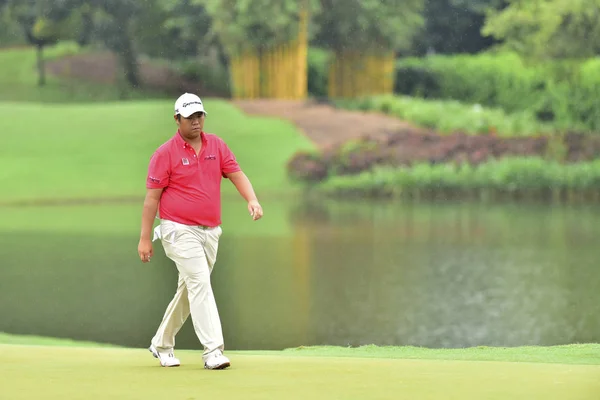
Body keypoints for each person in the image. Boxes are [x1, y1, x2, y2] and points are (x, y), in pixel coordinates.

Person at [137, 92, 263, 370]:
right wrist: (145, 238)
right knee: (200, 284)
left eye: (199, 116)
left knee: (191, 288)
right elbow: (151, 199)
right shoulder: (164, 154)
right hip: (177, 229)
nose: (196, 122)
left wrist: (251, 199)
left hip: (210, 232)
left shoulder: (216, 145)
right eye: (189, 117)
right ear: (177, 119)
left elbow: (236, 173)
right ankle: (213, 351)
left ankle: (161, 343)